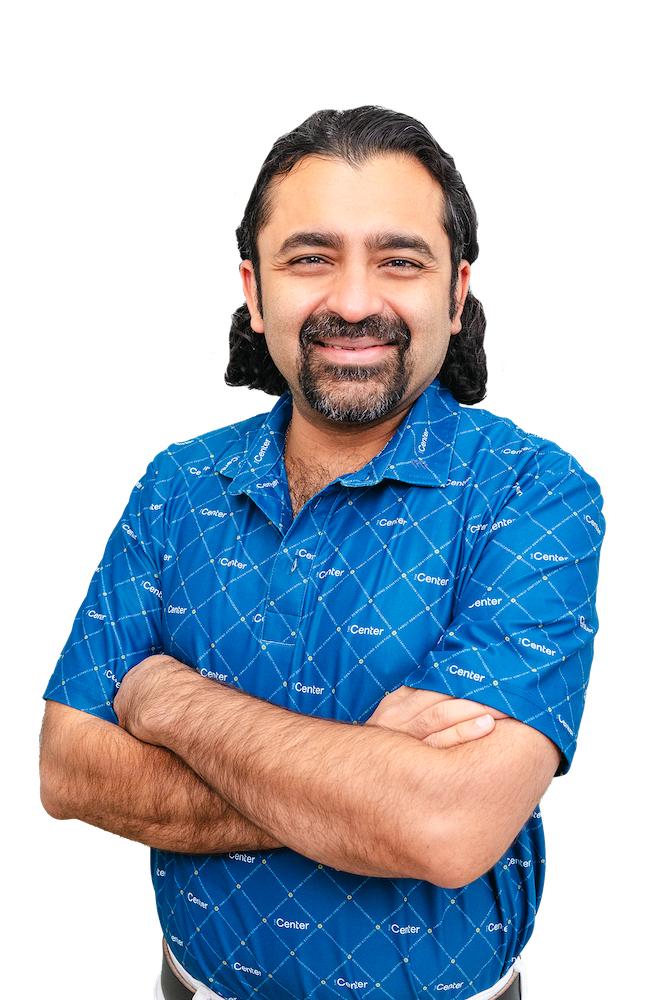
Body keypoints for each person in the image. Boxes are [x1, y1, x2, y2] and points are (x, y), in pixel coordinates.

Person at [38, 105, 606, 1000]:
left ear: (456, 291)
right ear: (254, 290)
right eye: (310, 258)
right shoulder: (177, 485)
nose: (352, 302)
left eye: (399, 261)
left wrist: (166, 699)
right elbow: (71, 769)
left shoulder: (535, 495)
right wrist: (361, 789)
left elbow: (445, 827)